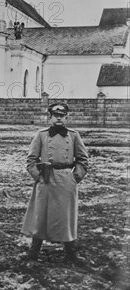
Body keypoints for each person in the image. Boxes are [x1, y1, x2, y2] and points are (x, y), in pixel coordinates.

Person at [21, 102, 89, 264]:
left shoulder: (73, 136)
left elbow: (82, 160)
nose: (59, 118)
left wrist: (75, 178)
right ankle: (34, 251)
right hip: (46, 178)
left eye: (62, 115)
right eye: (55, 115)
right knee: (41, 214)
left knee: (66, 215)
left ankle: (70, 253)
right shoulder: (41, 135)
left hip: (66, 179)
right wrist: (38, 177)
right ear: (50, 117)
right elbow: (31, 160)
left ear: (66, 117)